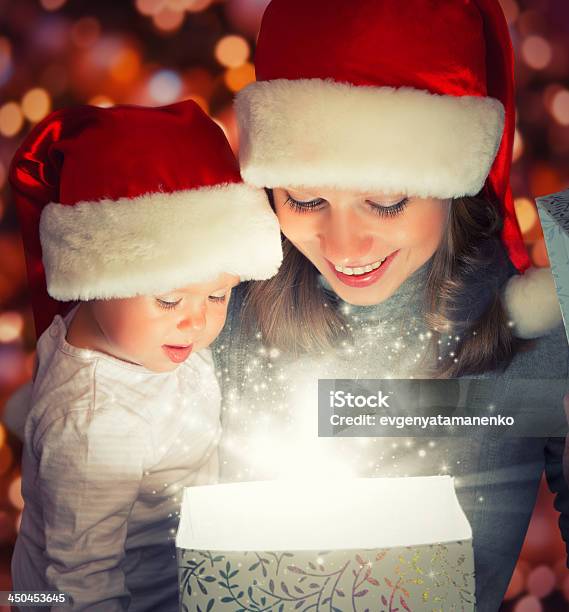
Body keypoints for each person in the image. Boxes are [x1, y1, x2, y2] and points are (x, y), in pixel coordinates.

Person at [211, 1, 569, 610]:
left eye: (385, 202)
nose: (345, 247)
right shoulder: (213, 311)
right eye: (304, 199)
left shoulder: (537, 324)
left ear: (455, 174)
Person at [8, 100, 282, 611]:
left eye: (218, 296)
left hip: (183, 577)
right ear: (98, 278)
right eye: (170, 299)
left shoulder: (144, 340)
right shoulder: (98, 426)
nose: (196, 321)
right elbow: (81, 585)